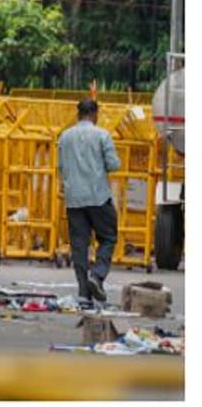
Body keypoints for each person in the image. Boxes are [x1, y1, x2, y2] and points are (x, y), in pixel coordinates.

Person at [57, 98, 121, 304]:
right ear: (95, 114)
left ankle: (84, 293)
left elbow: (61, 167)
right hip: (98, 196)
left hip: (74, 199)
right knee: (108, 237)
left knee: (79, 246)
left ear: (78, 114)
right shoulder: (102, 135)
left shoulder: (65, 137)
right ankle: (98, 275)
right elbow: (114, 164)